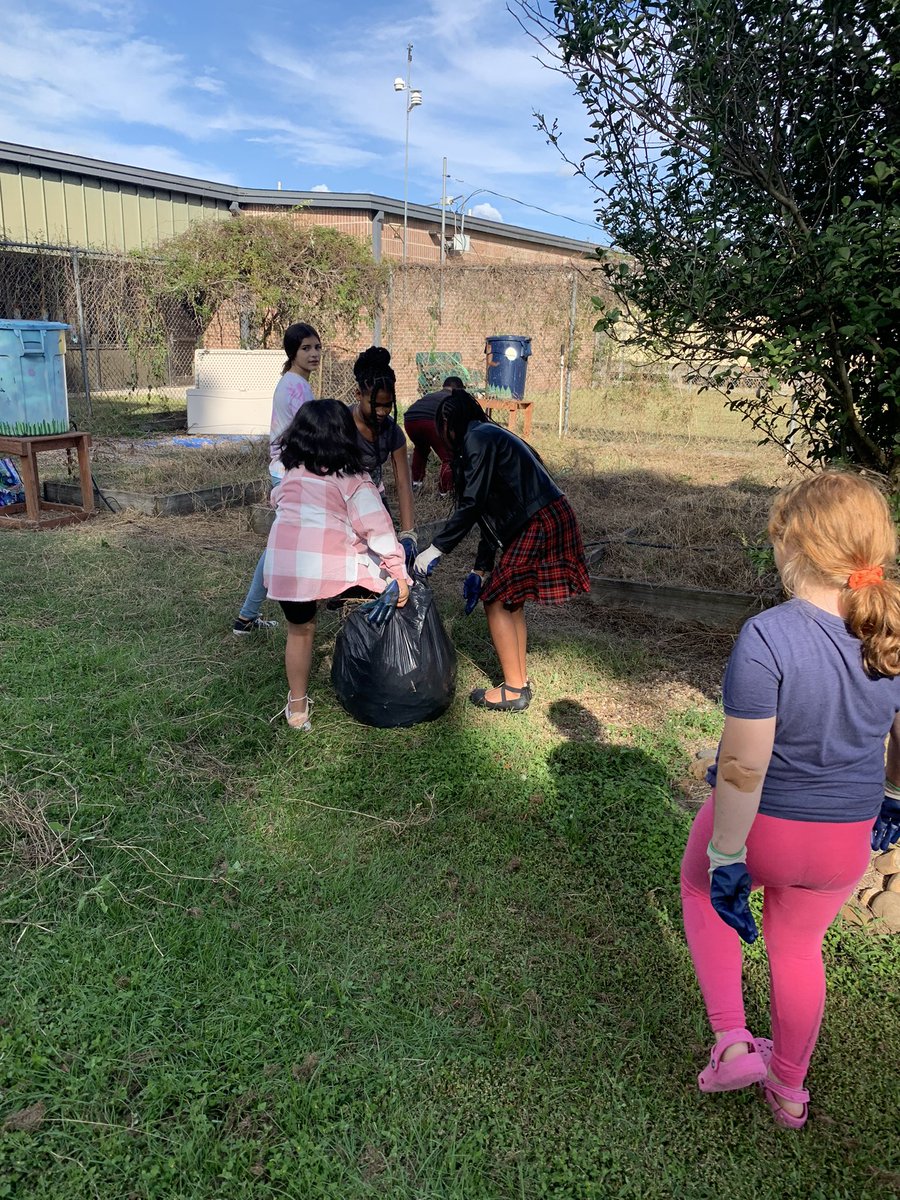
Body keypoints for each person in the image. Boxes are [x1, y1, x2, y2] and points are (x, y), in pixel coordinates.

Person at [680, 470, 900, 1130]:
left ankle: (734, 1042)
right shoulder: (889, 633)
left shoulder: (769, 636)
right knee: (798, 947)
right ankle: (789, 1092)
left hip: (766, 827)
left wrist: (726, 854)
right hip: (845, 840)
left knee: (701, 892)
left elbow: (744, 767)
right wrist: (892, 795)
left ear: (790, 545)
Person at [413, 390, 589, 712]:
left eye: (442, 428)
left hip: (538, 519)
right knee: (510, 600)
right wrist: (479, 569)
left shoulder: (477, 439)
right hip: (541, 516)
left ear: (450, 424)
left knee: (495, 602)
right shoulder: (485, 436)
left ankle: (513, 689)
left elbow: (473, 505)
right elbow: (489, 516)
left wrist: (435, 549)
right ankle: (519, 681)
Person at [263, 399, 411, 731]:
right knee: (378, 597)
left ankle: (297, 708)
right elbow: (379, 530)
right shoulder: (352, 477)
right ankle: (372, 679)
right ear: (345, 435)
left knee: (300, 631)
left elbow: (278, 503)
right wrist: (399, 575)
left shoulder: (287, 472)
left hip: (286, 568)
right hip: (330, 568)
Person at [232, 322, 321, 635]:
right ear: (292, 353)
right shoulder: (295, 386)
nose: (313, 354)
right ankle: (246, 617)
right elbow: (307, 436)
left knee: (277, 546)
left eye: (316, 347)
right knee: (276, 549)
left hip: (288, 472)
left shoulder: (295, 382)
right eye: (305, 348)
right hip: (289, 474)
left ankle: (247, 617)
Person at [350, 346, 417, 569]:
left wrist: (408, 533)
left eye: (387, 405)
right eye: (376, 405)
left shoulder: (393, 433)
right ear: (359, 395)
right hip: (342, 500)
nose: (382, 411)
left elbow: (403, 484)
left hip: (374, 497)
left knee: (385, 556)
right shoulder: (340, 423)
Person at [403, 374, 465, 496]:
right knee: (448, 457)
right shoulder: (454, 398)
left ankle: (416, 484)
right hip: (432, 422)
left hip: (410, 421)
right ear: (460, 389)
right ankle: (445, 493)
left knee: (421, 450)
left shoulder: (430, 395)